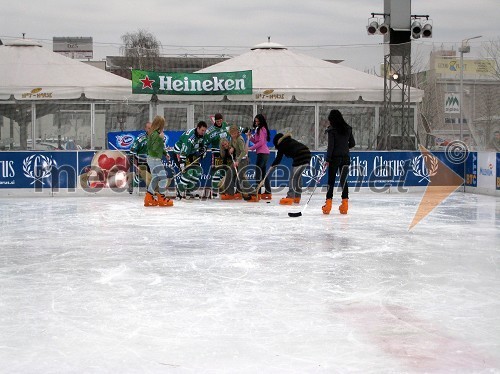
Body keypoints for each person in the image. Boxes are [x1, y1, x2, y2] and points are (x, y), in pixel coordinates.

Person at [322, 109, 355, 215]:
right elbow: (352, 143)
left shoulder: (332, 130)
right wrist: (345, 147)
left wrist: (327, 159)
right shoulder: (348, 129)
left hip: (334, 158)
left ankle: (328, 205)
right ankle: (345, 205)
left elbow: (330, 146)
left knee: (331, 181)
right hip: (345, 158)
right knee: (344, 181)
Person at [270, 133, 312, 205]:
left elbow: (278, 158)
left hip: (300, 156)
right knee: (298, 177)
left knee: (293, 178)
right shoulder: (289, 141)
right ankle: (297, 197)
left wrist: (272, 166)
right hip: (307, 155)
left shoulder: (282, 144)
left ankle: (290, 197)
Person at [172, 121, 208, 197]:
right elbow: (183, 152)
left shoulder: (202, 134)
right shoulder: (190, 138)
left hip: (191, 152)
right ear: (198, 128)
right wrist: (182, 163)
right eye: (202, 130)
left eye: (204, 130)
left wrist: (203, 150)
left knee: (197, 171)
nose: (203, 132)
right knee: (188, 172)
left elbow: (204, 144)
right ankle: (180, 190)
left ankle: (188, 190)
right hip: (180, 152)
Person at [144, 116, 173, 207]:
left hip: (151, 158)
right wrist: (161, 138)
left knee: (156, 178)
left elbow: (158, 148)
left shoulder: (152, 133)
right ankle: (162, 198)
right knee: (163, 178)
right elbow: (155, 148)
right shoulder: (156, 135)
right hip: (154, 159)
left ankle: (148, 198)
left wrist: (165, 153)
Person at [219, 125, 251, 200]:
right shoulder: (232, 138)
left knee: (241, 176)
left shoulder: (240, 139)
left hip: (242, 160)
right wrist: (231, 148)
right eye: (231, 133)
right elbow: (232, 146)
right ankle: (230, 193)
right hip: (237, 160)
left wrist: (238, 161)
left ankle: (252, 192)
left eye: (234, 133)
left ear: (237, 132)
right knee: (229, 173)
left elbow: (244, 152)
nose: (233, 135)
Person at [203, 113, 231, 198]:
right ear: (215, 120)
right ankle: (214, 191)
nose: (219, 122)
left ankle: (222, 190)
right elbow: (205, 142)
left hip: (226, 152)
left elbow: (234, 131)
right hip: (216, 152)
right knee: (217, 171)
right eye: (217, 121)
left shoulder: (226, 125)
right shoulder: (210, 131)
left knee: (224, 171)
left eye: (220, 120)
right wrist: (203, 149)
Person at [248, 114, 272, 200]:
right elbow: (256, 141)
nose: (256, 122)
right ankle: (268, 191)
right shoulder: (258, 129)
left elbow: (261, 143)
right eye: (255, 121)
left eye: (258, 121)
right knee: (263, 173)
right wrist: (250, 137)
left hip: (263, 153)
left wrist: (250, 148)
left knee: (258, 172)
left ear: (261, 121)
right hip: (262, 153)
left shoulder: (262, 129)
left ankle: (257, 192)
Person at [128, 121, 152, 193]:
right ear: (145, 129)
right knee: (141, 175)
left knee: (152, 175)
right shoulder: (141, 138)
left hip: (152, 159)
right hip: (142, 159)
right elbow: (133, 148)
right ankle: (132, 185)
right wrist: (132, 156)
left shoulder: (156, 137)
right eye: (149, 128)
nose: (150, 130)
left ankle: (149, 190)